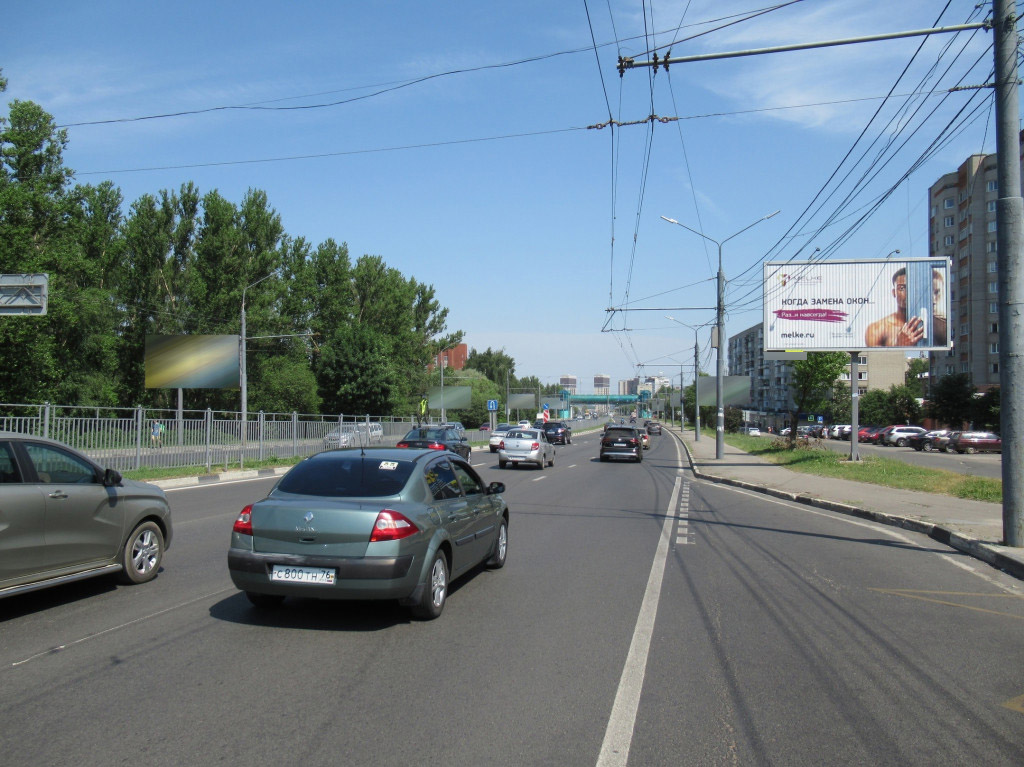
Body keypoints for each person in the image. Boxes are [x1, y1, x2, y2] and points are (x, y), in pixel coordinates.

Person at [864, 267, 924, 347]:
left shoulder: (934, 325)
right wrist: (900, 347)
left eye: (914, 288)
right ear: (894, 292)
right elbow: (875, 359)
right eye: (902, 288)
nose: (908, 293)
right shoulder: (876, 329)